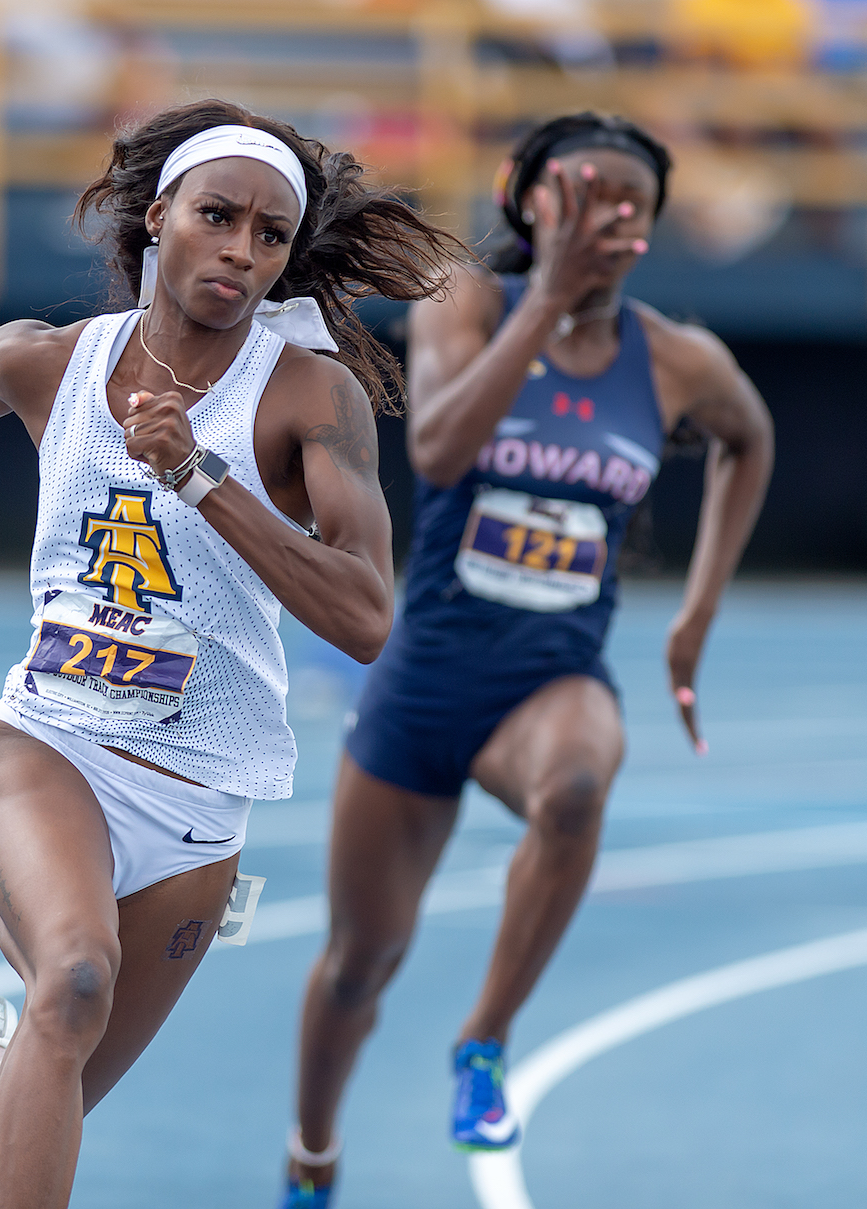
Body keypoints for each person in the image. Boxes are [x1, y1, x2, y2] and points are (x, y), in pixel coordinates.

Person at [0, 99, 455, 1208]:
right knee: (74, 980)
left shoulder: (306, 399)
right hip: (46, 746)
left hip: (199, 804)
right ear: (154, 217)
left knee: (51, 1095)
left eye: (269, 235)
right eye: (216, 216)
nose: (239, 249)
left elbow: (366, 616)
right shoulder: (51, 364)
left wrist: (200, 477)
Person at [279, 113, 775, 1206]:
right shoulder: (473, 307)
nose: (600, 218)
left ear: (647, 231)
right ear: (524, 200)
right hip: (422, 685)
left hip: (548, 681)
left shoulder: (678, 360)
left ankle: (485, 1041)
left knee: (582, 780)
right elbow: (440, 447)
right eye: (576, 194)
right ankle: (311, 1155)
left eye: (625, 205)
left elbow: (749, 438)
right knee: (358, 963)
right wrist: (546, 297)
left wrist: (695, 614)